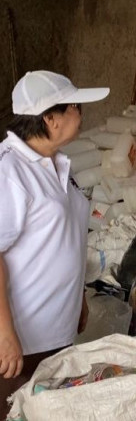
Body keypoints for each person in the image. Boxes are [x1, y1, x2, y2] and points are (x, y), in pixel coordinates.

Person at [0, 70, 110, 416]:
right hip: (22, 339)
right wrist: (4, 334)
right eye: (74, 107)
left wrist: (78, 297)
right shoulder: (11, 171)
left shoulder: (60, 165)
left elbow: (66, 240)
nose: (80, 113)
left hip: (56, 332)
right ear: (51, 119)